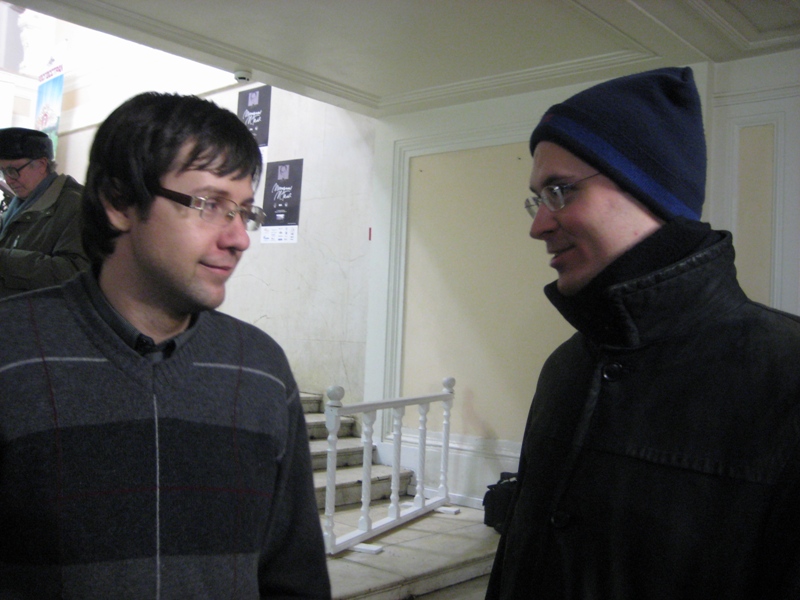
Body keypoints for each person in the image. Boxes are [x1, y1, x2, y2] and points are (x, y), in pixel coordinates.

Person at [0, 92, 331, 598]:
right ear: (119, 202)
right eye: (210, 205)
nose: (240, 238)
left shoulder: (260, 369)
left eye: (244, 211)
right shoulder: (13, 353)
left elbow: (293, 576)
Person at [486, 67, 800, 599]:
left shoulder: (786, 376)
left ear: (651, 193)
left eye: (560, 191)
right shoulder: (565, 366)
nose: (537, 226)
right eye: (537, 199)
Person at [0, 126, 88, 298]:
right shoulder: (20, 202)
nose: (9, 180)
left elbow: (74, 272)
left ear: (41, 165)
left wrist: (4, 259)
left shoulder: (77, 205)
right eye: (3, 172)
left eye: (13, 171)